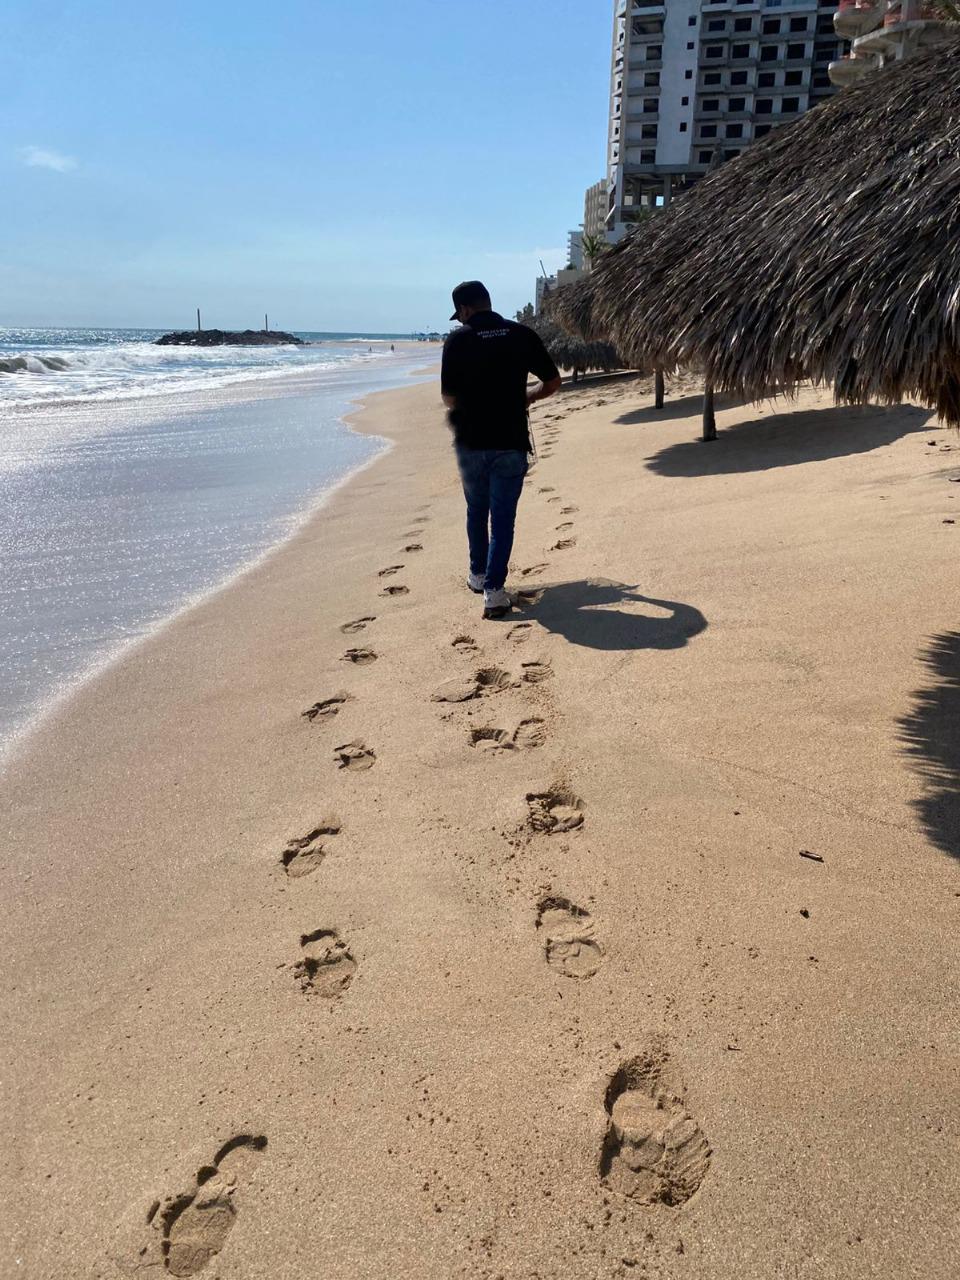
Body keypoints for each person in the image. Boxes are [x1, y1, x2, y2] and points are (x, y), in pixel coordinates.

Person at [441, 280, 561, 620]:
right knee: (503, 517)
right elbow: (553, 382)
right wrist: (528, 397)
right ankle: (494, 592)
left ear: (464, 310)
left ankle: (478, 574)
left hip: (471, 441)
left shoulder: (457, 340)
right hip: (510, 439)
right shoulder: (521, 334)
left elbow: (448, 398)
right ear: (488, 302)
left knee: (476, 510)